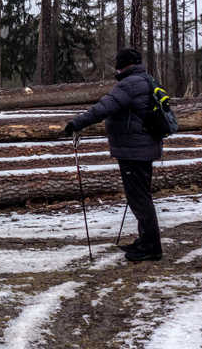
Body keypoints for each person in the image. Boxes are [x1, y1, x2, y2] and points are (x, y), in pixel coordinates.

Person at [65, 47, 164, 262]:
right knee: (140, 197)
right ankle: (145, 240)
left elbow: (103, 108)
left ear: (123, 64)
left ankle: (151, 248)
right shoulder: (145, 79)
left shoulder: (129, 84)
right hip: (142, 148)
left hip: (134, 151)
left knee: (139, 200)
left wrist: (76, 124)